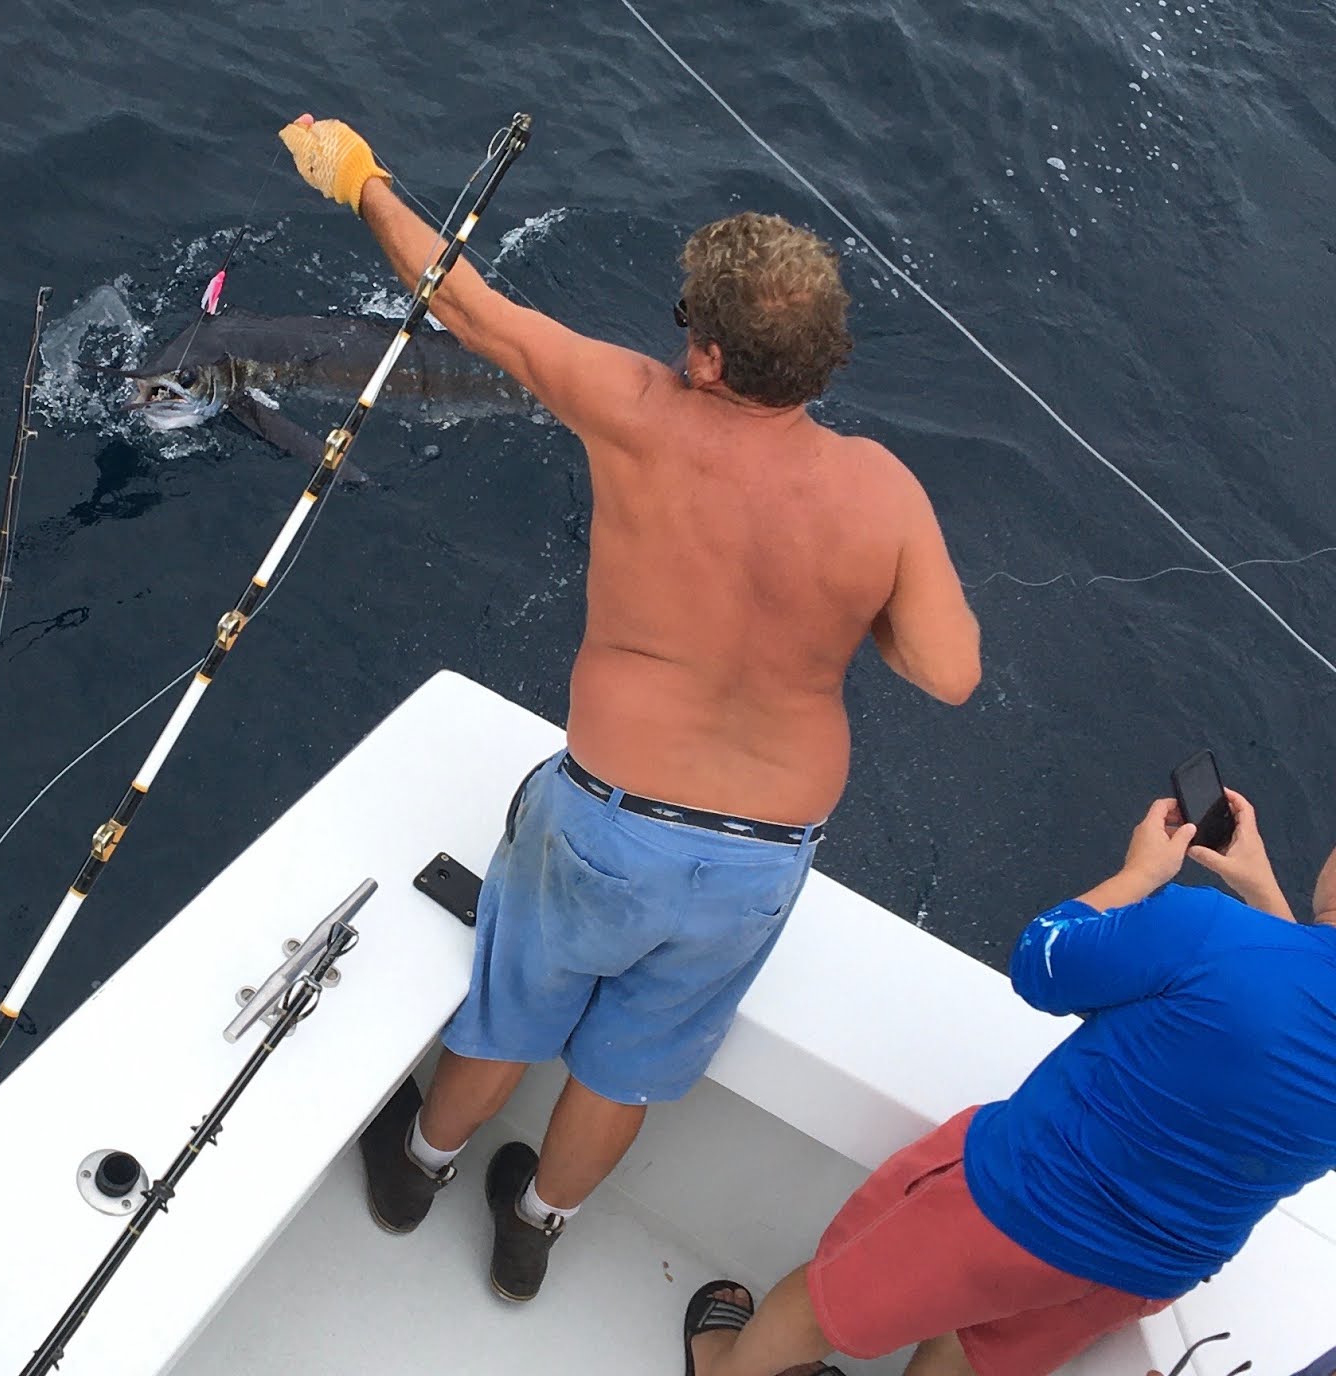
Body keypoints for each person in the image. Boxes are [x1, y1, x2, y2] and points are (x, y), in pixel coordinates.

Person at [275, 115, 982, 1299]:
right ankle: (533, 1227)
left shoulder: (635, 408)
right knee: (630, 1066)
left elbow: (465, 302)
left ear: (706, 358)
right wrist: (837, 595)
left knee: (508, 1015)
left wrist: (359, 180)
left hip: (606, 826)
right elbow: (947, 669)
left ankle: (414, 1169)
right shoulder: (882, 492)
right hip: (758, 862)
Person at [685, 789, 1336, 1376]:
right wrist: (1263, 891)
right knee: (977, 1356)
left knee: (826, 1304)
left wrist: (1142, 874)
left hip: (1022, 1201)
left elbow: (1044, 961)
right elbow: (1297, 1005)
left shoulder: (1211, 931)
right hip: (1146, 1269)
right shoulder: (1252, 943)